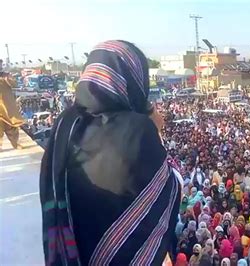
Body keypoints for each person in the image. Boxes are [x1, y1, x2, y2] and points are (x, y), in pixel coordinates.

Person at [39, 40, 181, 265]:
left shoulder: (65, 124)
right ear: (135, 80)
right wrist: (152, 120)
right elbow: (172, 186)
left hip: (75, 254)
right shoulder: (138, 130)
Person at [0, 59, 24, 150]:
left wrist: (8, 79)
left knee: (12, 127)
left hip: (8, 107)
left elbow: (14, 84)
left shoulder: (6, 75)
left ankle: (15, 144)